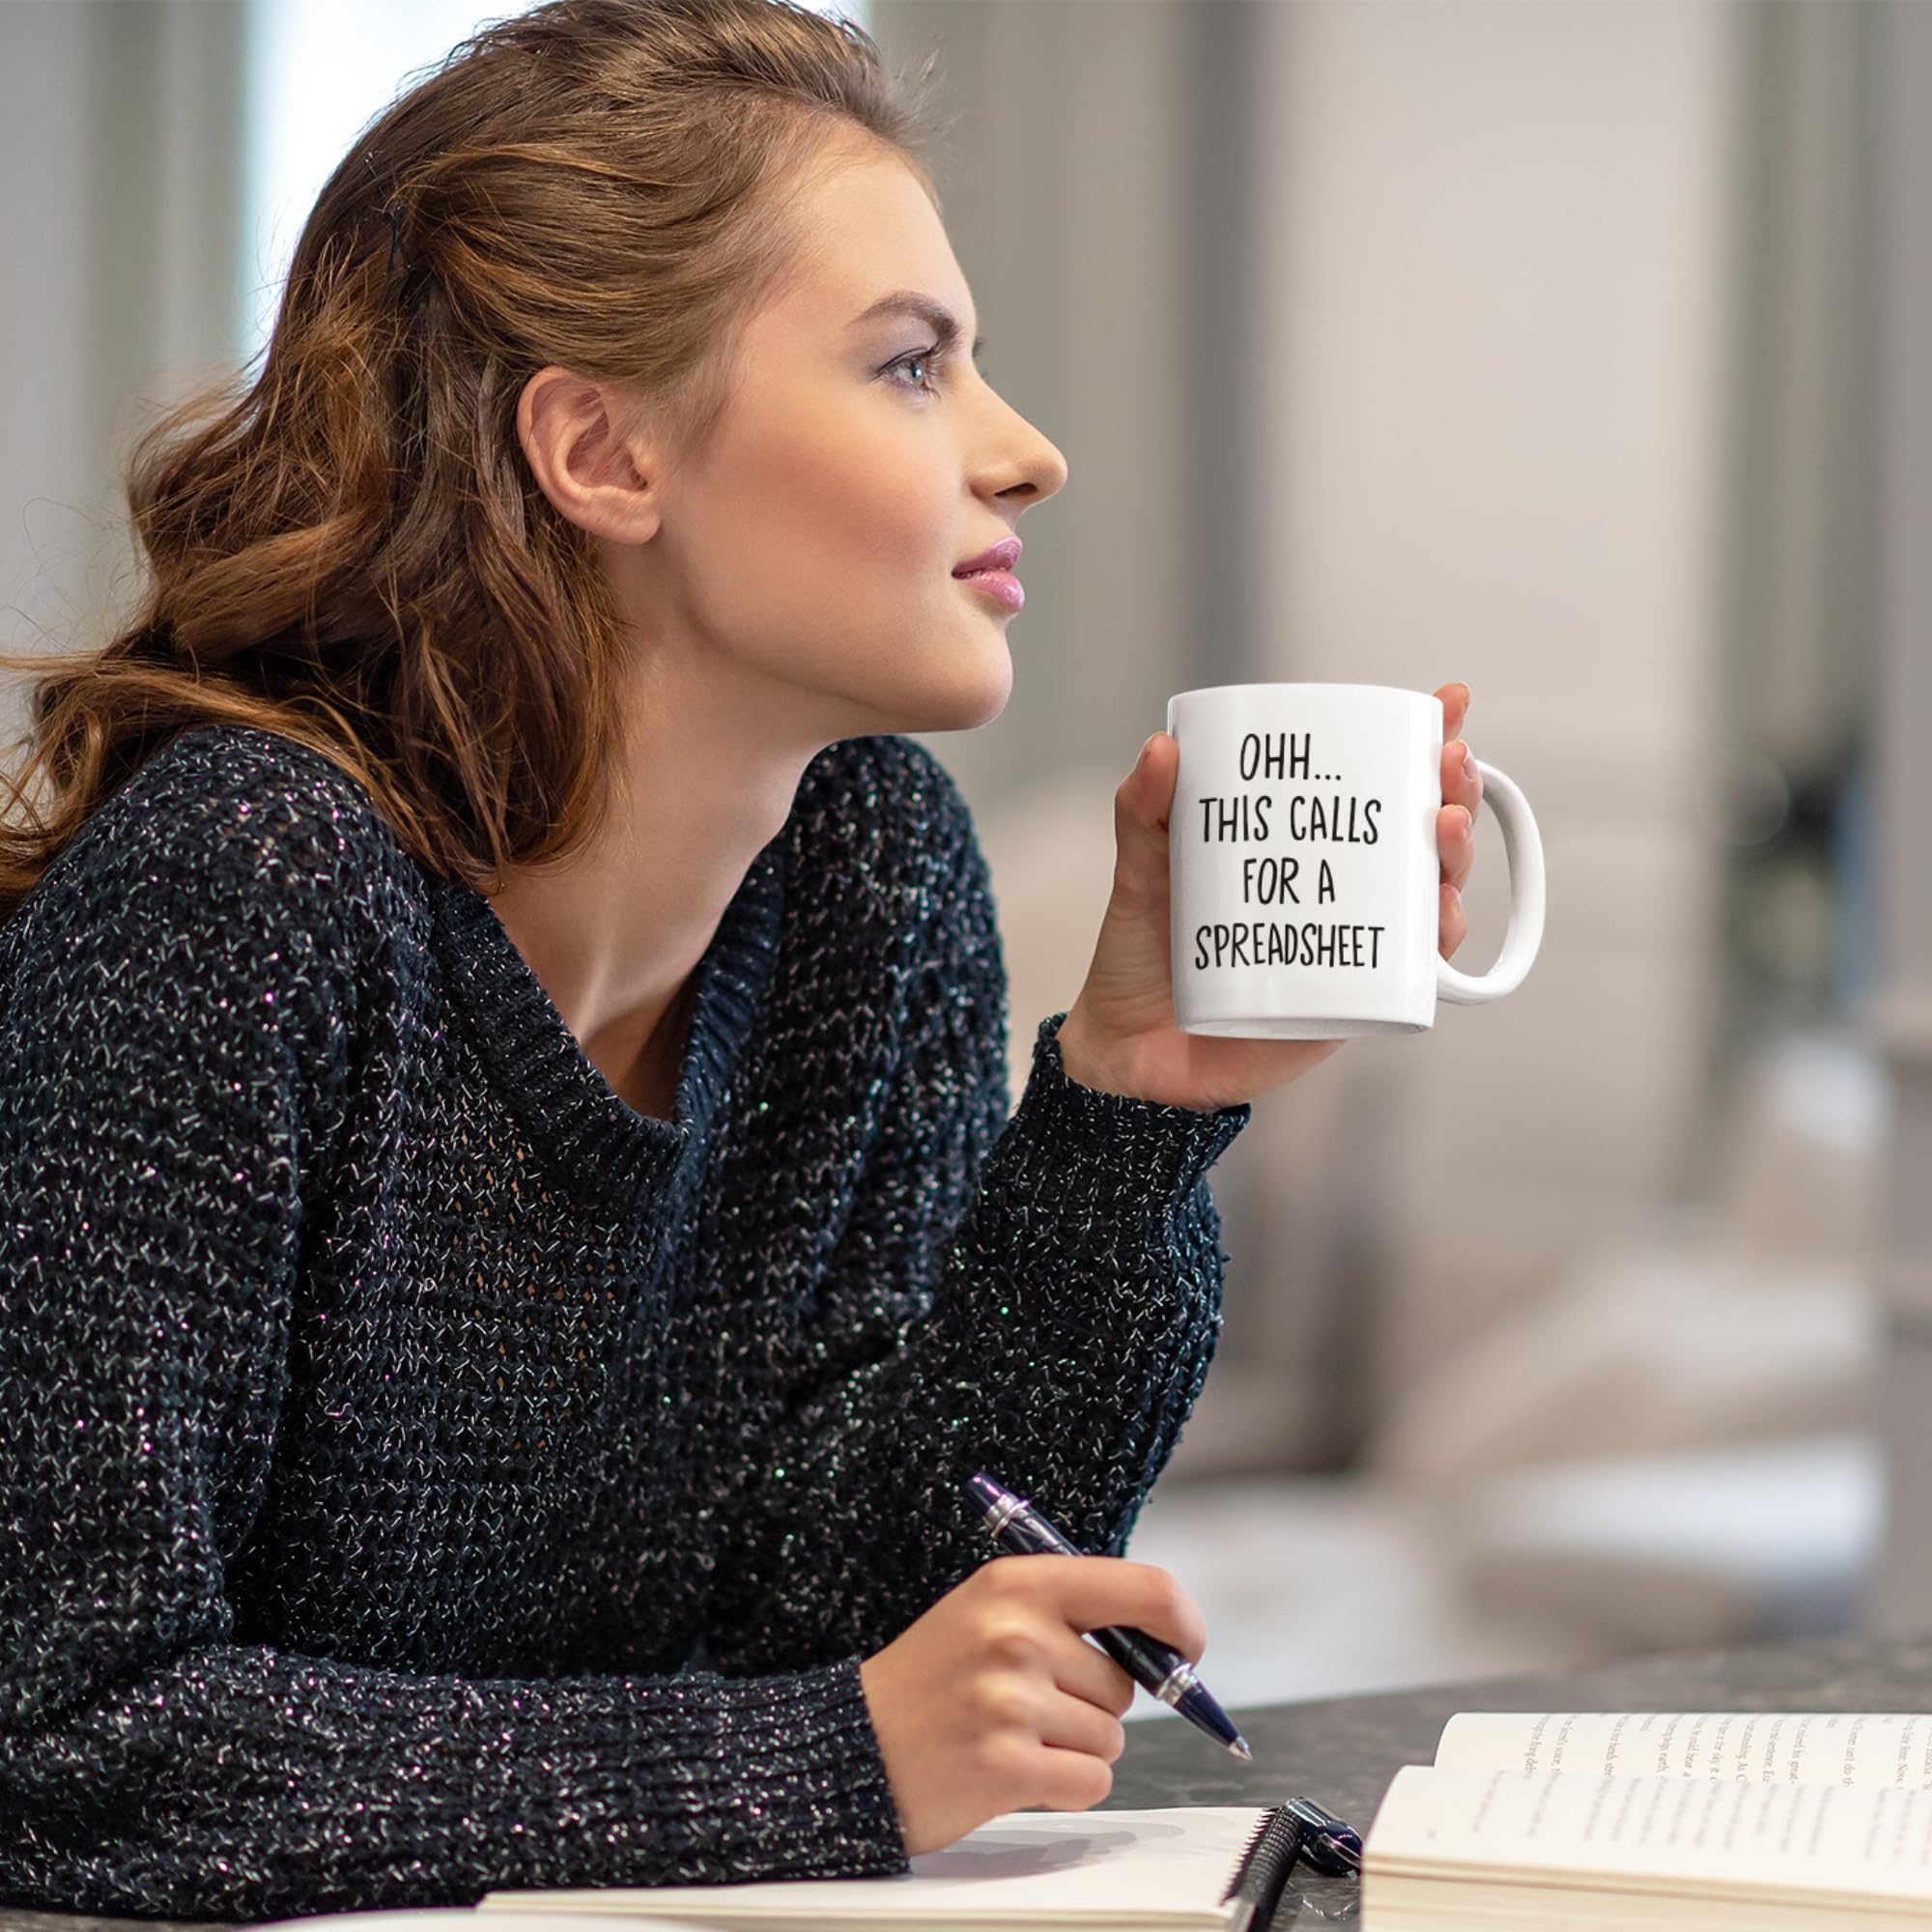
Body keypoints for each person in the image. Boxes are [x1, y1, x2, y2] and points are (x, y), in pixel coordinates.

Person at [0, 0, 1487, 1918]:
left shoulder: (870, 875)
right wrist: (828, 1755)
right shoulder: (243, 892)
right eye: (907, 367)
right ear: (602, 447)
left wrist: (1134, 1105)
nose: (1025, 453)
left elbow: (849, 1617)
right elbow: (71, 1742)